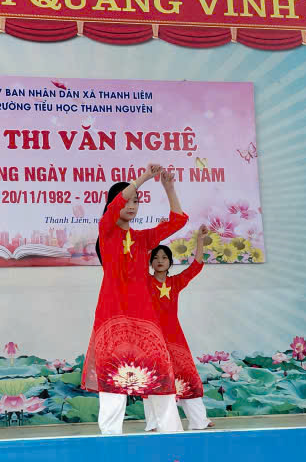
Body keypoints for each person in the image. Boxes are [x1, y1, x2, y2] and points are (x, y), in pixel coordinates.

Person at [85, 164, 187, 435]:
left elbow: (177, 221)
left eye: (137, 201)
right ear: (114, 205)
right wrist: (143, 178)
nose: (132, 205)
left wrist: (168, 187)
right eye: (128, 200)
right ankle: (110, 439)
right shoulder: (106, 230)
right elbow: (116, 205)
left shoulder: (143, 239)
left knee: (160, 375)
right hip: (112, 314)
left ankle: (172, 435)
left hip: (144, 316)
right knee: (112, 380)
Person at [143, 225, 212, 431]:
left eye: (164, 257)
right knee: (152, 379)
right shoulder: (144, 282)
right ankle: (153, 423)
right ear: (150, 262)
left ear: (170, 262)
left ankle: (199, 420)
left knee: (187, 376)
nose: (160, 260)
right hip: (152, 339)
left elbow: (196, 266)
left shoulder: (176, 282)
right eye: (156, 257)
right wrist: (153, 237)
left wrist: (200, 240)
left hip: (175, 338)